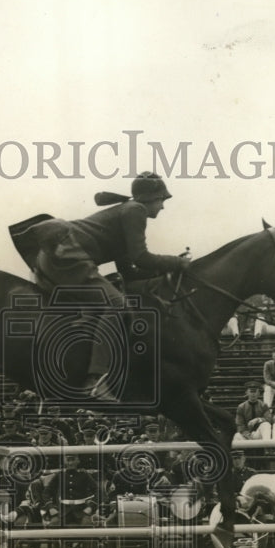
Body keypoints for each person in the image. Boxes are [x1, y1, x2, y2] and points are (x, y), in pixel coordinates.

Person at [28, 172, 188, 402]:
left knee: (109, 303)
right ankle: (95, 380)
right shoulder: (135, 211)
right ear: (150, 198)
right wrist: (177, 262)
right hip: (68, 256)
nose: (162, 207)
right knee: (118, 305)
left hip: (59, 257)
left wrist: (165, 272)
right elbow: (141, 256)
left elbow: (129, 271)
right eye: (161, 200)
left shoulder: (127, 211)